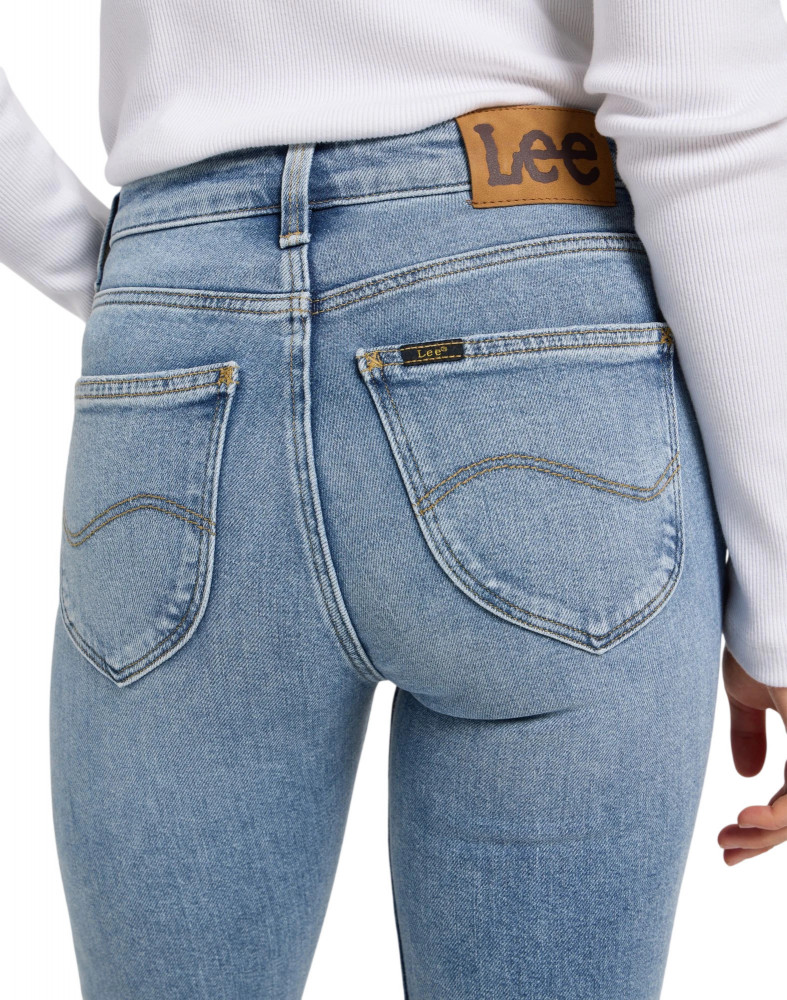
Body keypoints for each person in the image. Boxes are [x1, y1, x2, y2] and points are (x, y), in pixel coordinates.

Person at [1, 2, 786, 998]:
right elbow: (696, 99)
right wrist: (778, 608)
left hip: (176, 328)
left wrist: (133, 285)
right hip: (535, 299)